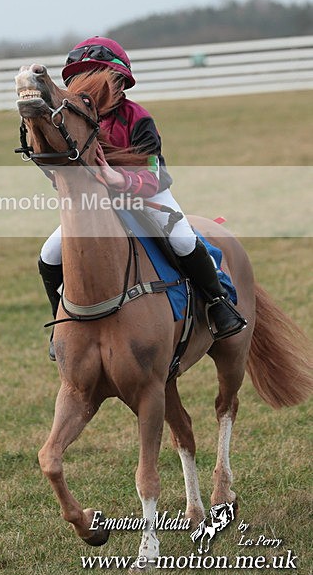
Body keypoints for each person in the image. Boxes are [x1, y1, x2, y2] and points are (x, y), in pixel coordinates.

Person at [38, 36, 247, 359]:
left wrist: (117, 178)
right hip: (97, 205)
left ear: (120, 82)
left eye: (100, 76)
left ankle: (219, 305)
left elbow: (156, 175)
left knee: (182, 240)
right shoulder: (72, 121)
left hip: (147, 194)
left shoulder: (137, 118)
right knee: (49, 255)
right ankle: (61, 323)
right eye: (82, 77)